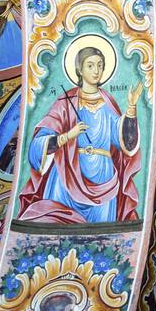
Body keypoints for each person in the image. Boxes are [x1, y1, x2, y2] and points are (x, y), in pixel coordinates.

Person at [19, 45, 143, 224]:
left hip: (103, 176)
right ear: (80, 69)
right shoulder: (65, 102)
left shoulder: (108, 103)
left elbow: (125, 144)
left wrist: (131, 107)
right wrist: (68, 135)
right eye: (90, 65)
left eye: (100, 65)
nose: (96, 70)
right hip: (68, 175)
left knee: (100, 237)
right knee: (55, 229)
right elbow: (38, 144)